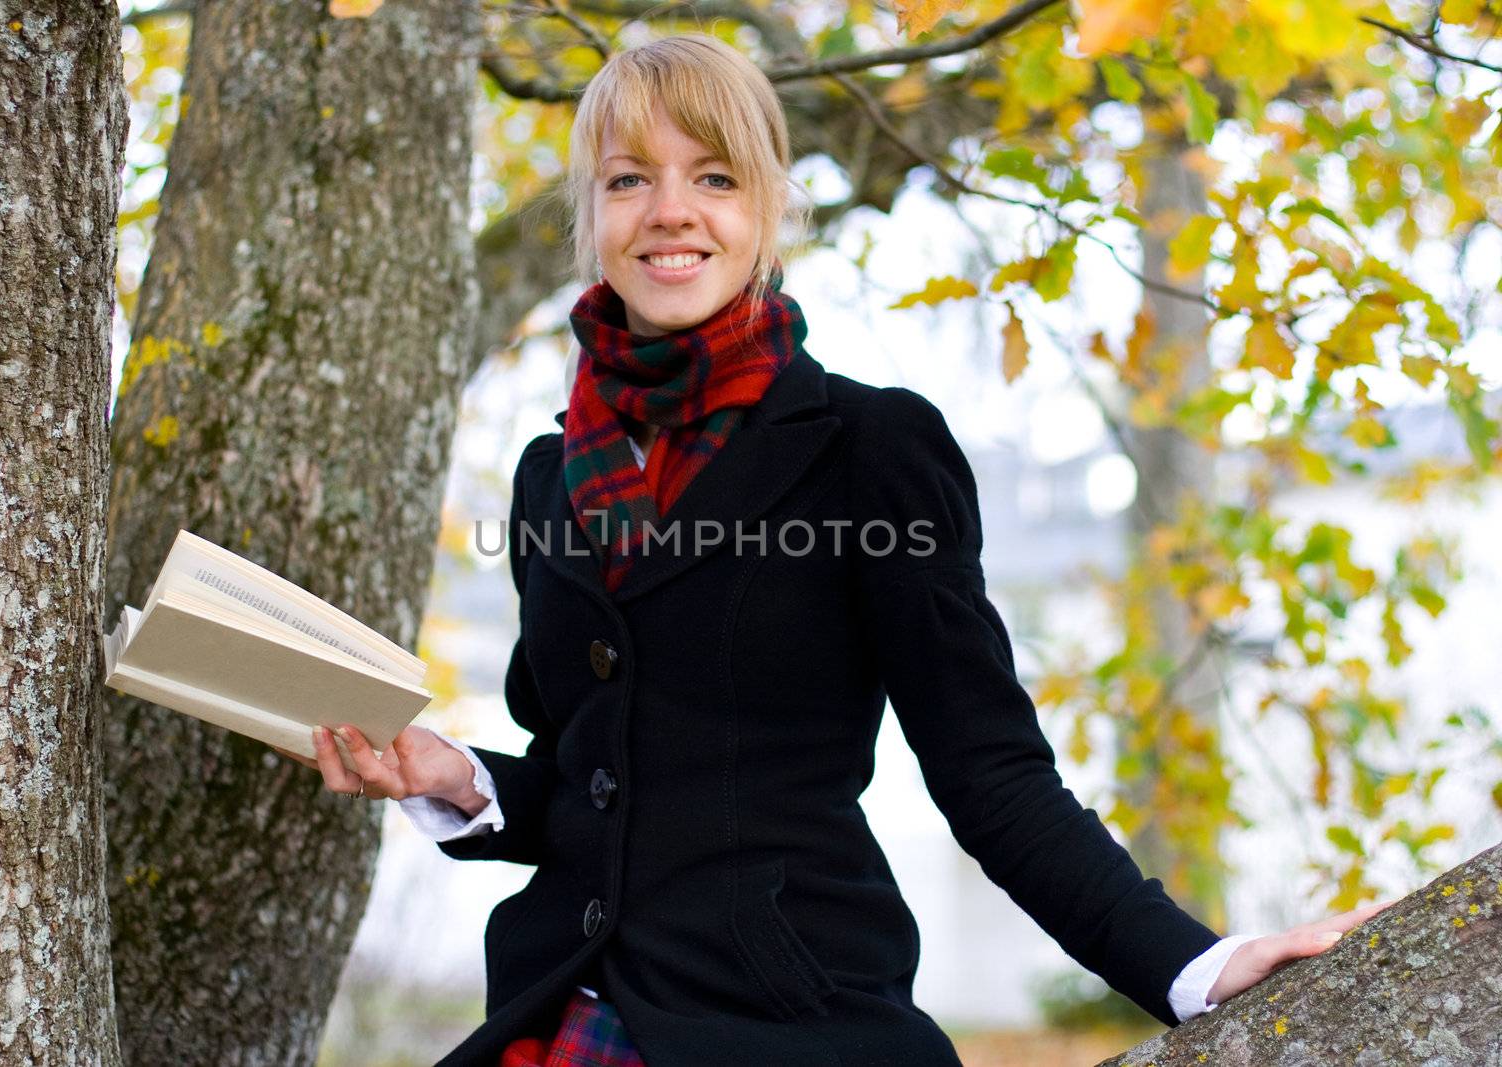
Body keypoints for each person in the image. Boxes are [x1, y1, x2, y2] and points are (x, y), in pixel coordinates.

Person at [270, 32, 1392, 1067]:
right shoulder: (545, 475)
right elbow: (590, 783)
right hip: (558, 1009)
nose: (671, 211)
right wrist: (456, 780)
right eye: (629, 178)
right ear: (591, 212)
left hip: (785, 1019)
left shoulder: (872, 447)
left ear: (766, 208)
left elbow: (990, 771)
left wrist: (1193, 964)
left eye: (712, 177)